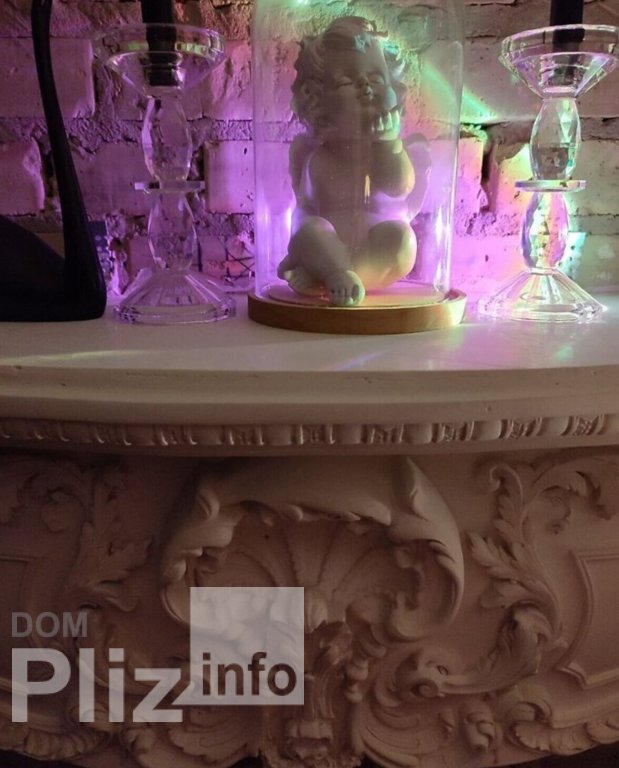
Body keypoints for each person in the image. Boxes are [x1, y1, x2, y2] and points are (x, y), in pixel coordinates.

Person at [278, 16, 417, 307]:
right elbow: (305, 211)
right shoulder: (317, 159)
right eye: (345, 81)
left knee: (403, 241)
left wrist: (389, 143)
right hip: (328, 245)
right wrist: (302, 244)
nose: (366, 88)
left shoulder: (389, 152)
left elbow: (399, 186)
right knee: (308, 230)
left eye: (377, 79)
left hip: (375, 252)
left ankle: (330, 275)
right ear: (317, 101)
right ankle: (334, 270)